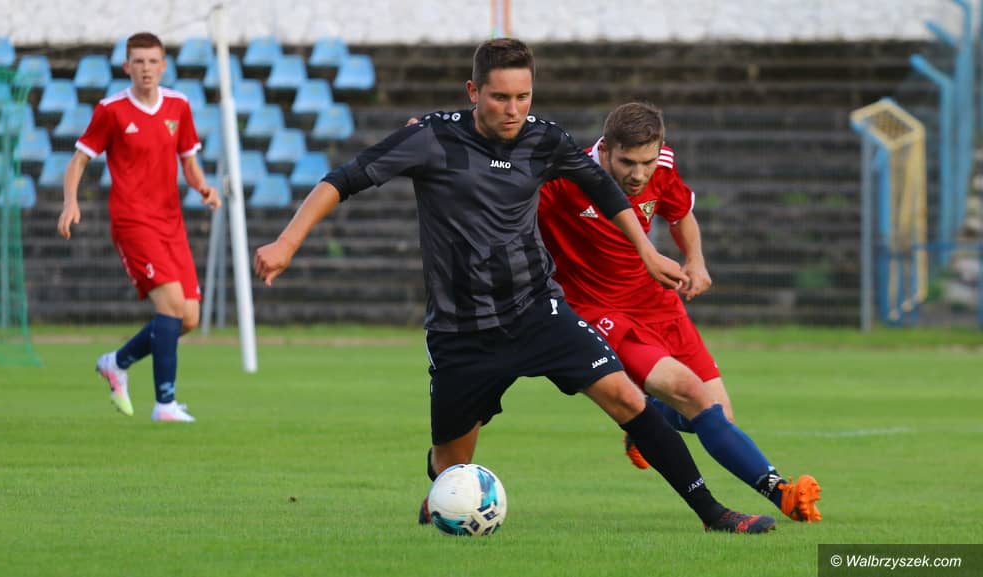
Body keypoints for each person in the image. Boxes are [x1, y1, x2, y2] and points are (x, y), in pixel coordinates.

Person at [255, 38, 775, 533]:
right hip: (462, 330)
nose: (513, 109)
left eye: (523, 97)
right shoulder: (431, 138)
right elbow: (344, 179)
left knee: (627, 399)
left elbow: (602, 187)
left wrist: (646, 250)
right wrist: (286, 243)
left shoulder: (544, 140)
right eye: (500, 97)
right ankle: (443, 489)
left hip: (537, 311)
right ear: (473, 91)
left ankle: (713, 514)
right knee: (451, 465)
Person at [536, 101, 822, 522]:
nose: (639, 174)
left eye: (647, 162)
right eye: (627, 162)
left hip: (657, 300)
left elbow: (680, 214)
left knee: (719, 415)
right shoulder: (564, 179)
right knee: (690, 392)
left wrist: (696, 261)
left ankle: (647, 422)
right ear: (605, 150)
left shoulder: (663, 166)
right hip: (601, 310)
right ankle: (781, 492)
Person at [56, 32, 220, 423]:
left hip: (171, 222)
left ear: (164, 66)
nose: (146, 68)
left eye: (152, 61)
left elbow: (188, 161)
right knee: (171, 306)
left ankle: (117, 362)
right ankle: (165, 404)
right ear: (126, 66)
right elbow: (78, 161)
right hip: (133, 220)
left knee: (189, 317)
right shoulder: (111, 110)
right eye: (139, 61)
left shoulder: (179, 105)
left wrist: (202, 187)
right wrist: (70, 202)